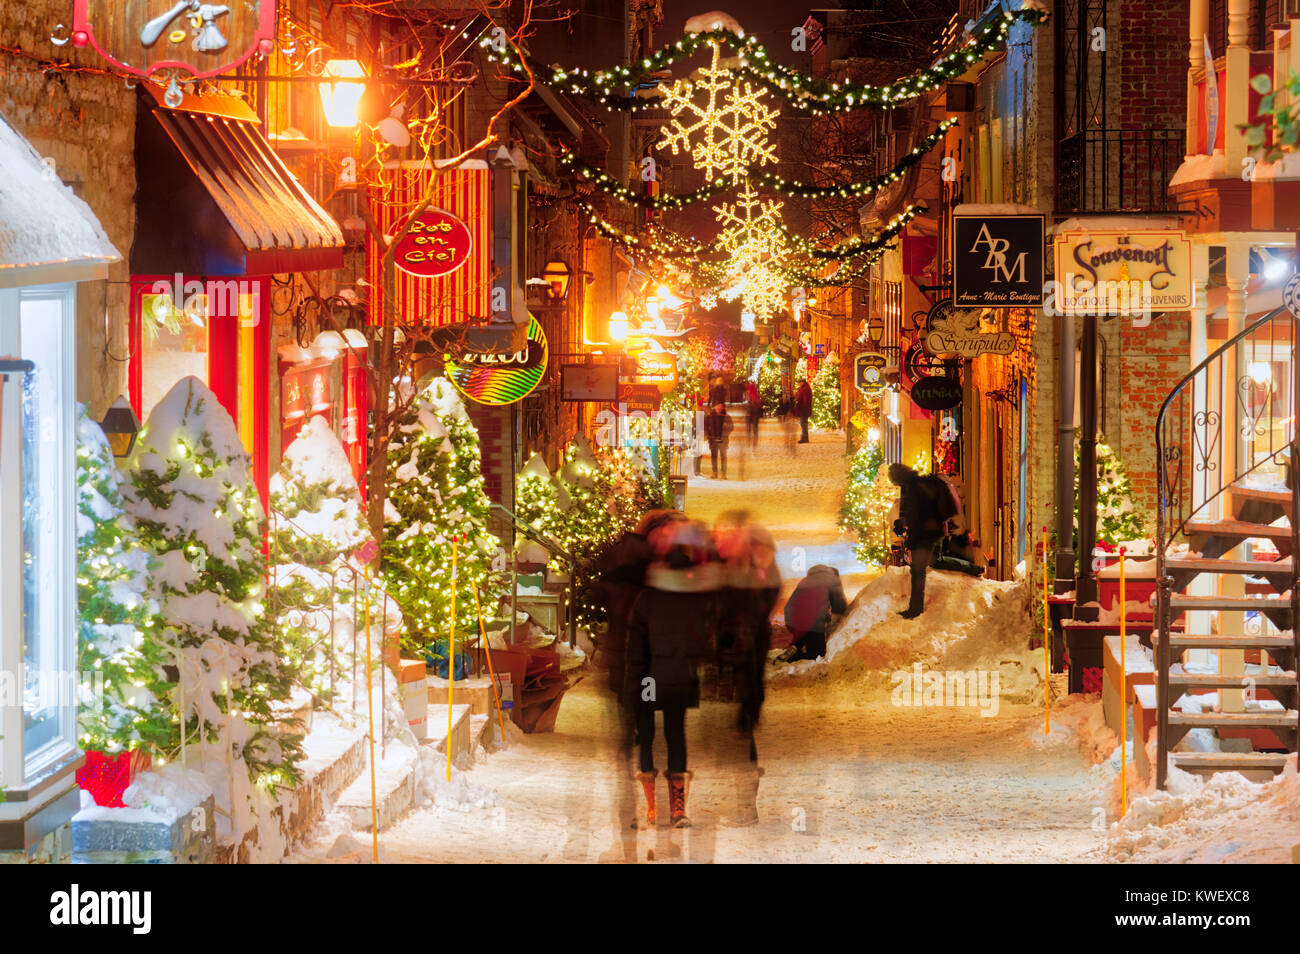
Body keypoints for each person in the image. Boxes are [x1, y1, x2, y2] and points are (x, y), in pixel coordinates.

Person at [624, 521, 719, 828]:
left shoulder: (647, 599)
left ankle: (651, 809)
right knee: (676, 736)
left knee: (647, 738)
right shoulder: (694, 600)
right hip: (680, 678)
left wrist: (632, 691)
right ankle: (677, 810)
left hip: (650, 680)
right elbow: (706, 641)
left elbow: (635, 650)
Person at [888, 463, 961, 619]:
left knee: (917, 571)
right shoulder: (918, 482)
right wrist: (902, 523)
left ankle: (915, 609)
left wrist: (910, 541)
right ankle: (975, 569)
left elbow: (915, 517)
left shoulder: (911, 488)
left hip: (926, 534)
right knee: (937, 561)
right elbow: (913, 514)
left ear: (898, 478)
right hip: (937, 530)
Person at [778, 564, 848, 661]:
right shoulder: (833, 580)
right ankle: (795, 657)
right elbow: (839, 604)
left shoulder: (806, 580)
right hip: (811, 622)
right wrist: (834, 622)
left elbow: (809, 605)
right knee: (818, 654)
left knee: (804, 632)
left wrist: (825, 617)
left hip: (791, 619)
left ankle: (795, 647)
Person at [703, 403, 734, 478]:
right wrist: (708, 435)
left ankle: (723, 473)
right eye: (717, 406)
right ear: (715, 407)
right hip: (712, 439)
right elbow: (705, 427)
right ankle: (714, 472)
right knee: (714, 456)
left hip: (723, 440)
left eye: (720, 406)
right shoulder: (710, 416)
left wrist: (726, 434)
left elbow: (731, 427)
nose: (719, 408)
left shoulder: (726, 416)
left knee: (723, 456)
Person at [794, 377, 813, 443]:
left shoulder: (805, 389)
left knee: (803, 424)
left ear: (803, 382)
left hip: (804, 409)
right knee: (803, 423)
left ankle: (804, 438)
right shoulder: (804, 388)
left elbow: (805, 400)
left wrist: (802, 407)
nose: (799, 384)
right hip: (803, 409)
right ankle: (804, 438)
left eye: (799, 383)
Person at [744, 380, 762, 446]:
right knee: (755, 428)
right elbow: (759, 405)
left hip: (749, 414)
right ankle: (755, 442)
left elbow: (747, 405)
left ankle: (748, 441)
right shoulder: (757, 395)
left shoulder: (749, 396)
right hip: (756, 414)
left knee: (748, 428)